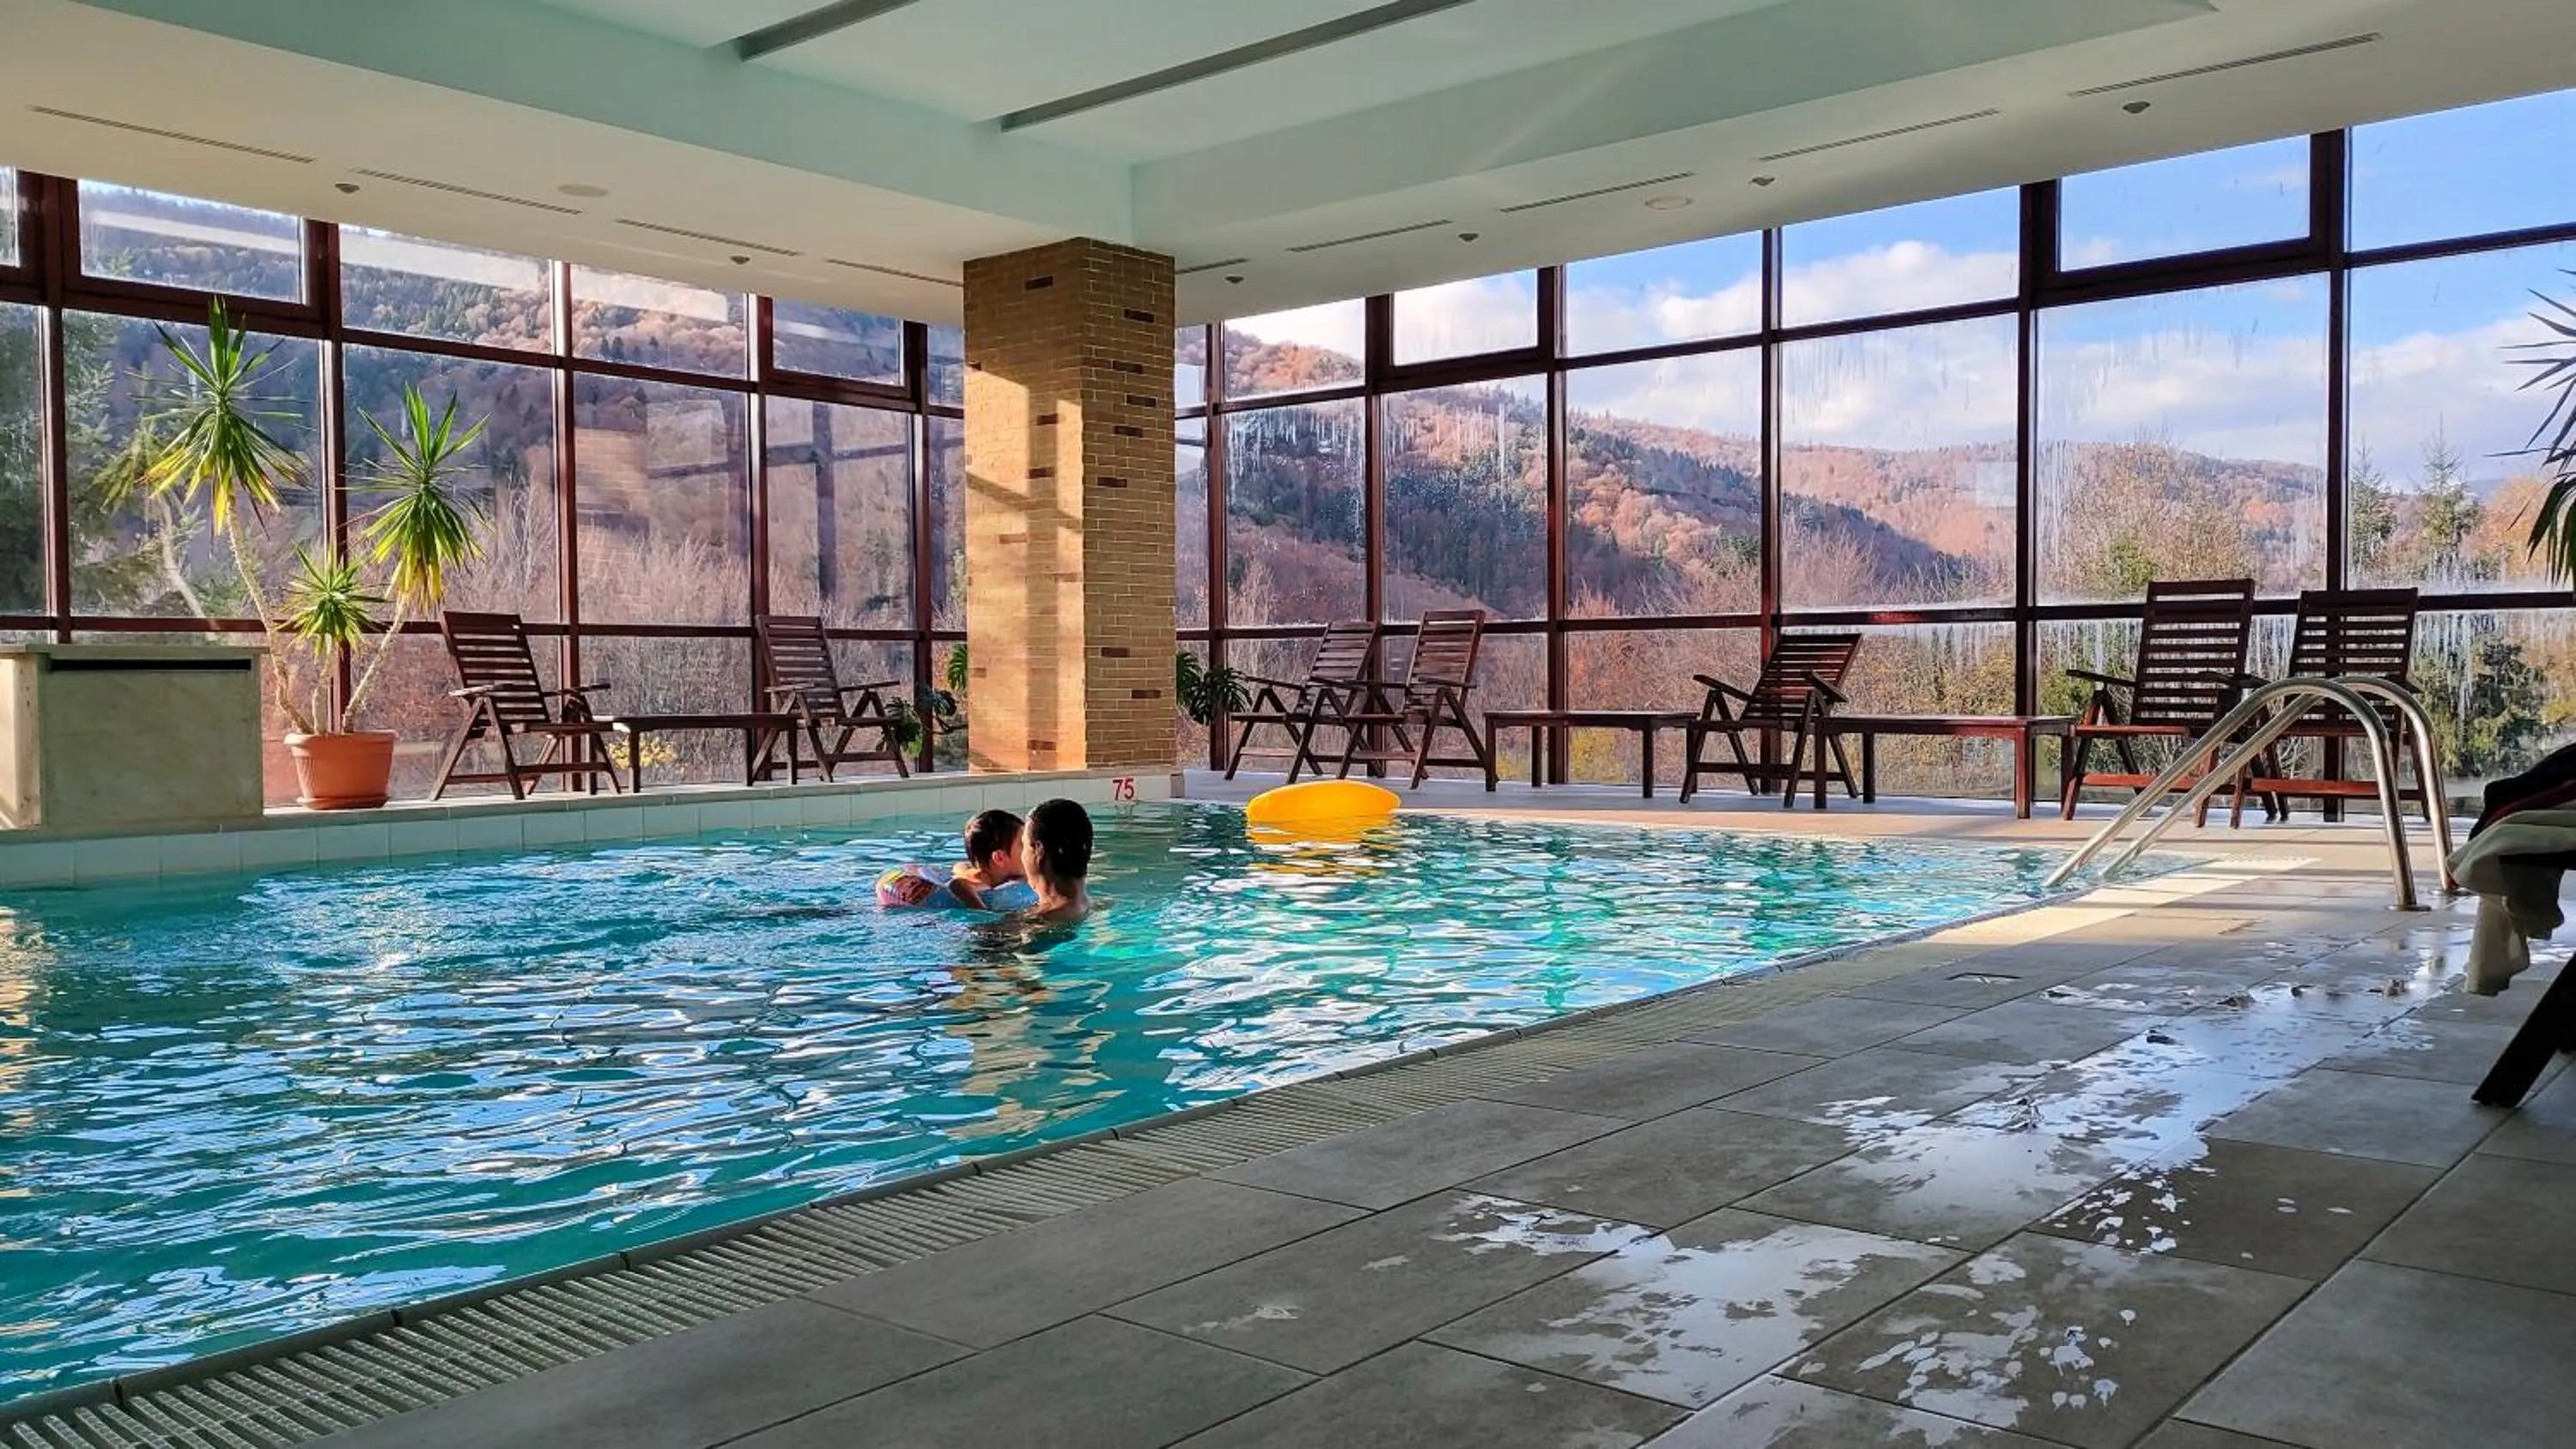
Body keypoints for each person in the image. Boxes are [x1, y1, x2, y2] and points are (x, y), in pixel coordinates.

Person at [1017, 797, 1094, 924]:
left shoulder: (1037, 925)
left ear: (1038, 849)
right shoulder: (1095, 907)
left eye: (1023, 845)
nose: (1022, 855)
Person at [948, 809, 1036, 911]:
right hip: (966, 878)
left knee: (961, 867)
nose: (1031, 849)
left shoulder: (1002, 872)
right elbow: (957, 884)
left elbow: (961, 866)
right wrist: (982, 911)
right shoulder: (984, 883)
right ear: (999, 858)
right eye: (1023, 845)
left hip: (968, 870)